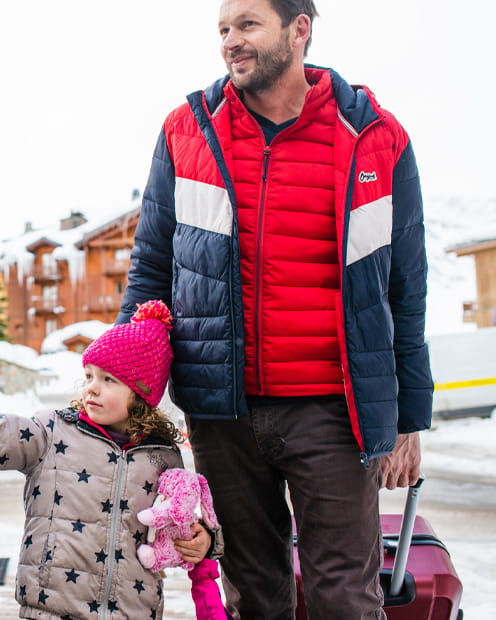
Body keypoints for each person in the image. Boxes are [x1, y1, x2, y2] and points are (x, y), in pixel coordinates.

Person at [118, 1, 433, 617]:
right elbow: (152, 265)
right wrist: (127, 384)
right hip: (221, 409)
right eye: (223, 29)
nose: (231, 41)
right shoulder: (187, 129)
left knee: (345, 598)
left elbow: (407, 288)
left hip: (334, 413)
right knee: (253, 598)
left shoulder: (375, 136)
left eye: (248, 25)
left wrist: (407, 417)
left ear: (300, 29)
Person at [0, 300, 224, 620]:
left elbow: (181, 524)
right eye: (90, 375)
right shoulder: (53, 432)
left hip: (133, 610)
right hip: (51, 606)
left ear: (141, 394)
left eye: (109, 379)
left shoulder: (163, 456)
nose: (92, 387)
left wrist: (204, 541)